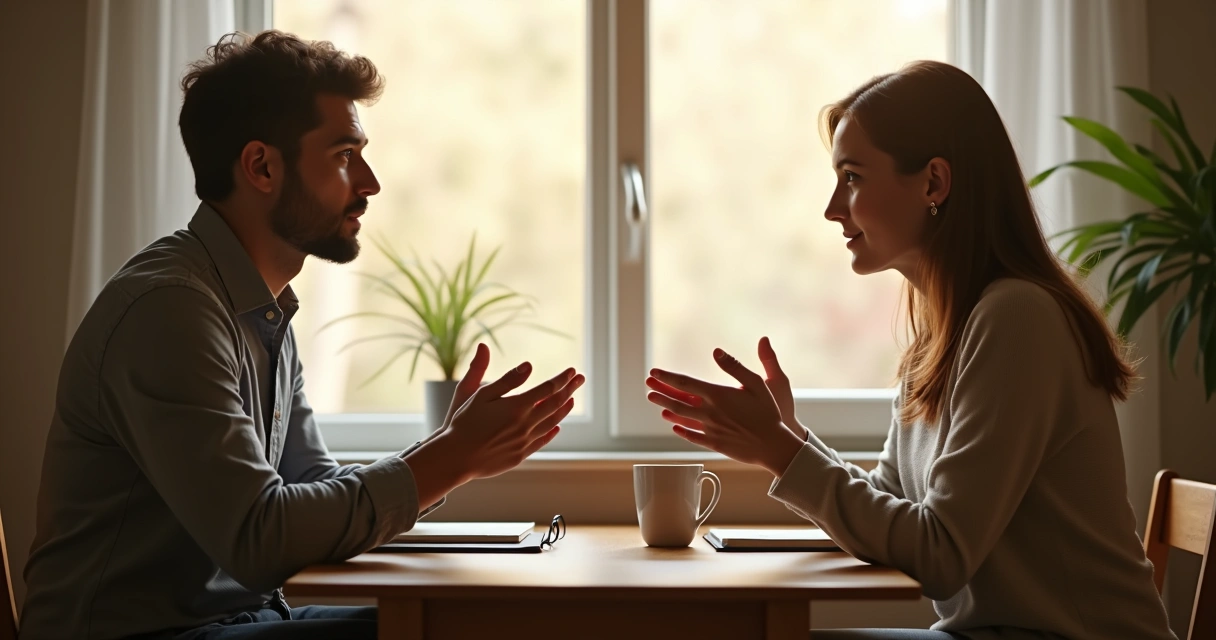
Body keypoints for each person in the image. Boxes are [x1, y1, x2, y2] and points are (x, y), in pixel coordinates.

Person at [19, 30, 583, 640]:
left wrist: (448, 447)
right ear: (262, 166)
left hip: (235, 621)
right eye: (344, 154)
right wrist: (451, 457)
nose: (370, 182)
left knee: (462, 622)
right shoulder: (171, 311)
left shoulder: (258, 311)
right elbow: (260, 538)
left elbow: (312, 488)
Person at [645, 61, 1177, 640]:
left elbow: (941, 553)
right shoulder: (943, 330)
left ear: (933, 184)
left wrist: (781, 452)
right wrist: (790, 437)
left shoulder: (1017, 319)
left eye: (852, 178)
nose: (831, 207)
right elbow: (894, 503)